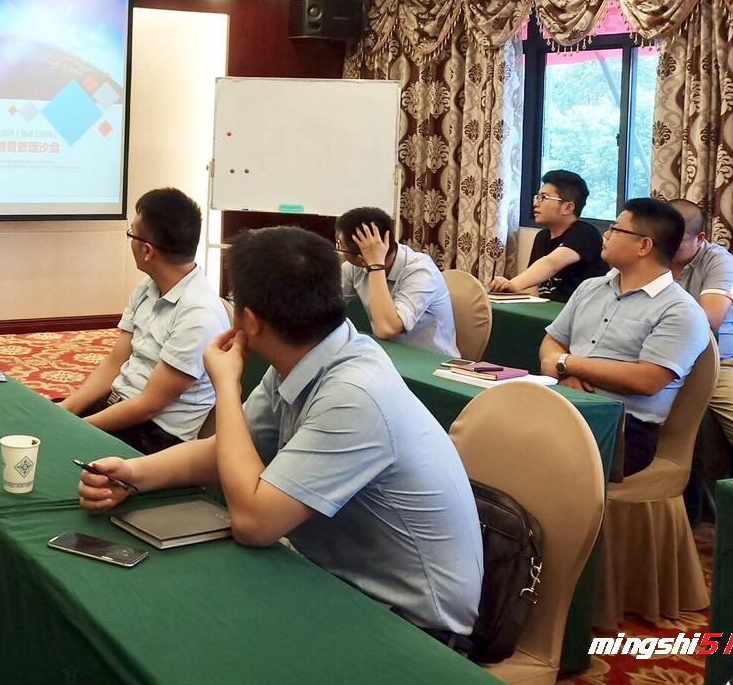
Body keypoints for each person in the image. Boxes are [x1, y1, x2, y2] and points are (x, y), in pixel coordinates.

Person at [78, 226, 484, 647]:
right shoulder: (312, 353)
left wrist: (227, 387)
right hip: (337, 580)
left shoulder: (354, 394)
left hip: (413, 626)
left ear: (250, 321)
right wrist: (133, 474)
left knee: (188, 633)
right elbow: (227, 450)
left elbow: (254, 524)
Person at [538, 198, 709, 476]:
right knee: (494, 424)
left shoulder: (681, 311)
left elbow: (647, 380)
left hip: (624, 429)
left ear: (644, 245)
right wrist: (563, 373)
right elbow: (554, 341)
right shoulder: (590, 288)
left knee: (525, 449)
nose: (605, 235)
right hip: (566, 402)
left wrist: (566, 364)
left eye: (615, 229)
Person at [59, 188, 226, 453]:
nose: (130, 241)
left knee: (55, 451)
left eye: (131, 234)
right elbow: (114, 363)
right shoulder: (149, 286)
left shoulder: (199, 315)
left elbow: (149, 405)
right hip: (118, 406)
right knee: (36, 425)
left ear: (147, 250)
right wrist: (64, 411)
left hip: (154, 436)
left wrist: (77, 428)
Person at [668, 198, 733, 443]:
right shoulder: (648, 252)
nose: (665, 247)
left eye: (675, 242)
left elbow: (709, 320)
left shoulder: (719, 261)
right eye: (660, 237)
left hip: (715, 363)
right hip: (659, 359)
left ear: (699, 238)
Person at [335, 206, 458, 356]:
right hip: (387, 355)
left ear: (362, 258)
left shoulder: (421, 271)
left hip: (432, 363)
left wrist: (375, 266)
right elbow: (326, 304)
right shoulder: (355, 267)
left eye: (341, 247)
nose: (340, 253)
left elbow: (387, 329)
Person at [490, 169, 607, 301]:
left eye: (543, 198)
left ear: (568, 207)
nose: (535, 203)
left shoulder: (585, 233)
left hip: (577, 310)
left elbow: (551, 263)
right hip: (545, 308)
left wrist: (511, 284)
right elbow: (532, 286)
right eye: (537, 197)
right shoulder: (542, 236)